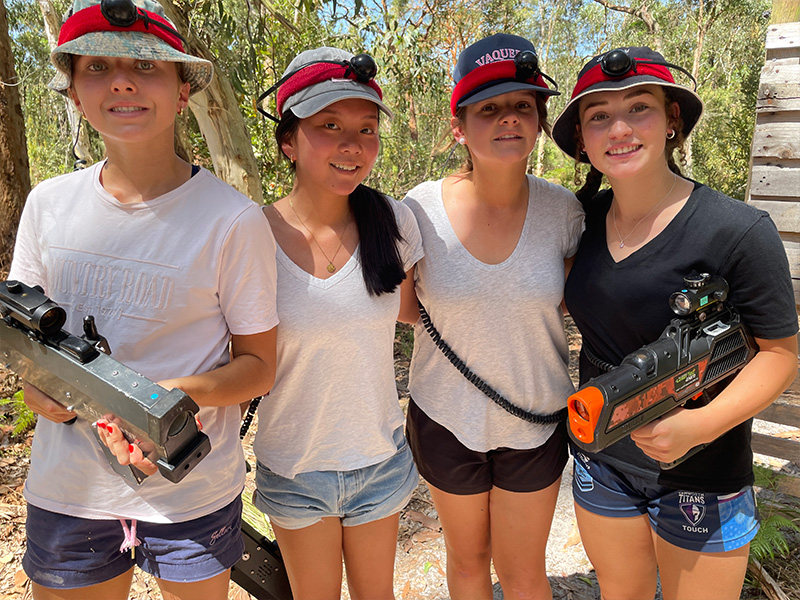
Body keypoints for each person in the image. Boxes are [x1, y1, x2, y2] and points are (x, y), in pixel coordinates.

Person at [8, 1, 279, 598]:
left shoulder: (232, 221)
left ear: (184, 91)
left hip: (193, 490)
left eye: (147, 66)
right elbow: (29, 349)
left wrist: (169, 401)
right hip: (69, 488)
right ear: (74, 92)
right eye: (98, 66)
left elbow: (259, 366)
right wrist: (39, 392)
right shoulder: (48, 207)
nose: (124, 81)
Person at [552, 46, 799, 600]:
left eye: (639, 107)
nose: (619, 128)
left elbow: (780, 356)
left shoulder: (736, 231)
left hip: (703, 469)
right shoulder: (577, 223)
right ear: (583, 142)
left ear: (672, 122)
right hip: (602, 459)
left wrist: (700, 425)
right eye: (598, 117)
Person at [399, 34, 584, 600]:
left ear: (540, 121)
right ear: (459, 126)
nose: (508, 120)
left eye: (522, 106)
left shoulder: (564, 211)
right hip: (445, 418)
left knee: (524, 570)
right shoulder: (417, 210)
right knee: (469, 561)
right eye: (489, 109)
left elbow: (575, 303)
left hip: (535, 416)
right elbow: (407, 309)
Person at [251, 46, 423, 600]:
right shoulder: (249, 237)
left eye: (367, 128)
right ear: (287, 142)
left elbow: (416, 314)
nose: (353, 145)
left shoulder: (394, 223)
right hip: (296, 467)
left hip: (378, 459)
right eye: (329, 125)